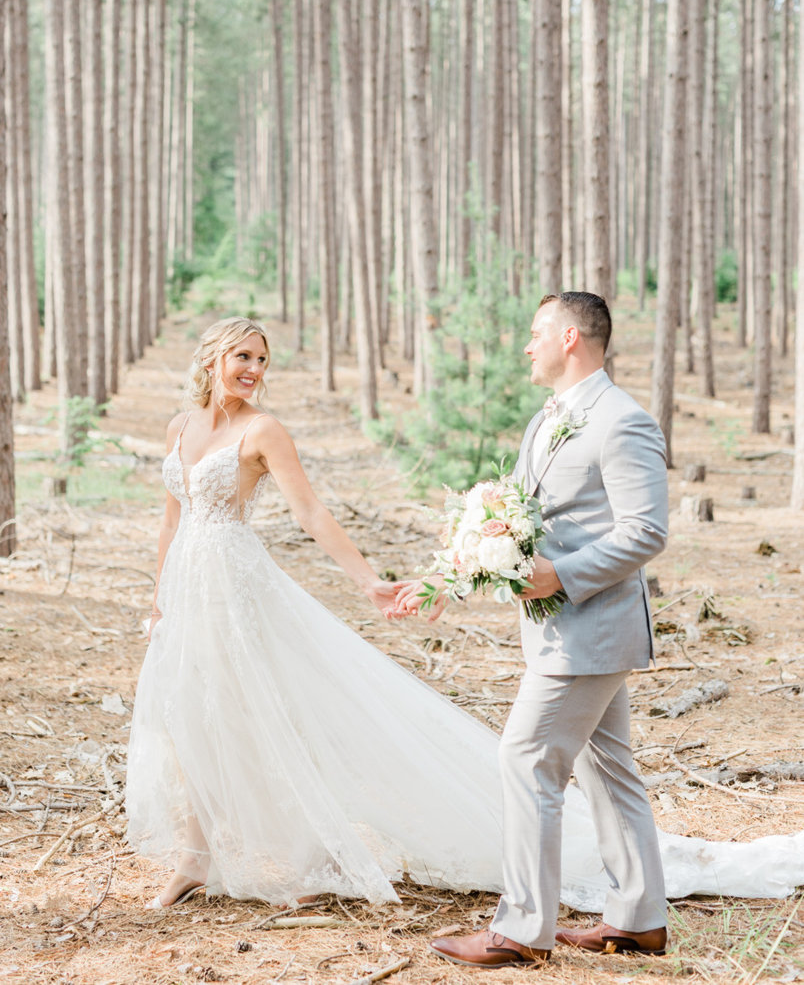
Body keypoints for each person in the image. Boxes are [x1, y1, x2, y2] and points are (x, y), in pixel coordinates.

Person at [125, 311, 804, 920]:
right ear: (212, 358)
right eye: (243, 357)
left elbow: (312, 514)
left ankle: (341, 865)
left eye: (262, 359)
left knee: (269, 713)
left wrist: (370, 584)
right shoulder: (180, 427)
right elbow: (171, 518)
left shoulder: (264, 430)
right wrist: (159, 596)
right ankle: (194, 854)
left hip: (241, 584)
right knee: (190, 713)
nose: (253, 370)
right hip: (188, 586)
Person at [405, 291, 670, 969]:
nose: (527, 345)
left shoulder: (621, 421)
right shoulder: (547, 417)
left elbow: (646, 531)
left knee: (525, 758)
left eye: (536, 332)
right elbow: (513, 520)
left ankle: (522, 929)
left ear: (572, 338)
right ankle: (638, 918)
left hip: (593, 625)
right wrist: (444, 581)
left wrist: (564, 577)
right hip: (566, 633)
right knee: (607, 767)